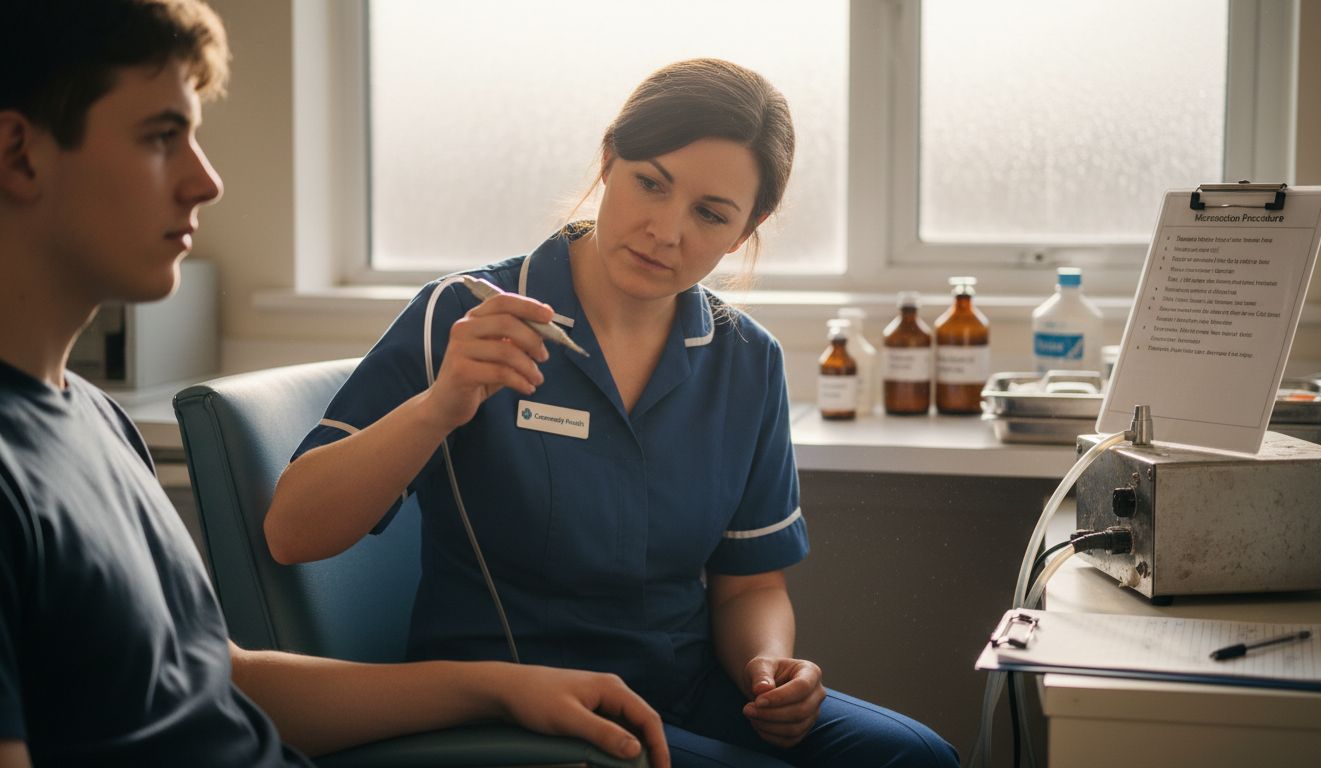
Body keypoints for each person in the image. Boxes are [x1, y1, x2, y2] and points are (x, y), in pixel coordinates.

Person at [0, 1, 670, 766]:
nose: (207, 181)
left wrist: (501, 688)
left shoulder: (92, 419)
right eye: (161, 137)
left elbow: (219, 678)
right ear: (21, 155)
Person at [266, 58, 959, 767]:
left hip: (686, 690)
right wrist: (440, 405)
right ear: (608, 162)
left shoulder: (747, 361)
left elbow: (750, 583)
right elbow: (292, 532)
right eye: (650, 183)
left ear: (748, 227)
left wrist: (767, 668)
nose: (665, 230)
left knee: (916, 758)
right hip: (516, 709)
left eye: (710, 213)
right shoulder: (467, 314)